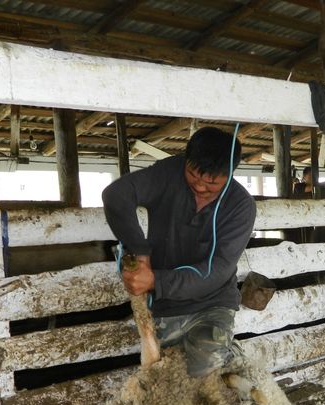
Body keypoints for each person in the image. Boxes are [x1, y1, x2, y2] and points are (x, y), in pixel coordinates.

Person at [102, 126, 256, 378]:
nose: (201, 187)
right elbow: (116, 195)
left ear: (229, 174)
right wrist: (139, 250)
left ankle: (227, 354)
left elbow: (218, 271)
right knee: (165, 377)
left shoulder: (240, 206)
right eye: (193, 175)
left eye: (212, 182)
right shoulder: (170, 172)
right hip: (165, 304)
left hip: (213, 303)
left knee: (204, 370)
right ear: (186, 161)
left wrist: (155, 280)